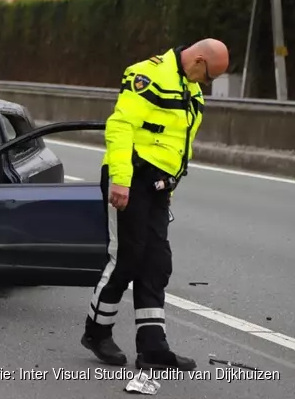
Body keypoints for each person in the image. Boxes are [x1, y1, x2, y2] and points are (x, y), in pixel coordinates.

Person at [81, 39, 229, 371]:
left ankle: (152, 348)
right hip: (130, 175)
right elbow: (120, 126)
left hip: (159, 185)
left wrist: (170, 188)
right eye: (207, 76)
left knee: (157, 263)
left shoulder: (192, 90)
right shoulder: (146, 75)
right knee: (127, 260)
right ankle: (97, 332)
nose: (205, 84)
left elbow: (179, 145)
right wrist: (120, 178)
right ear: (199, 60)